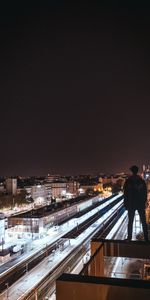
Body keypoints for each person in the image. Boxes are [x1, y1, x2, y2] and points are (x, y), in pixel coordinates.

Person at [123, 165, 148, 241]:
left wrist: (126, 204)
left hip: (131, 203)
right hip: (140, 203)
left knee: (130, 221)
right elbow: (145, 193)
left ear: (132, 171)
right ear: (137, 171)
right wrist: (144, 202)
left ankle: (129, 237)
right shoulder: (141, 181)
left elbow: (125, 194)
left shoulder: (128, 181)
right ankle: (146, 238)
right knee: (143, 221)